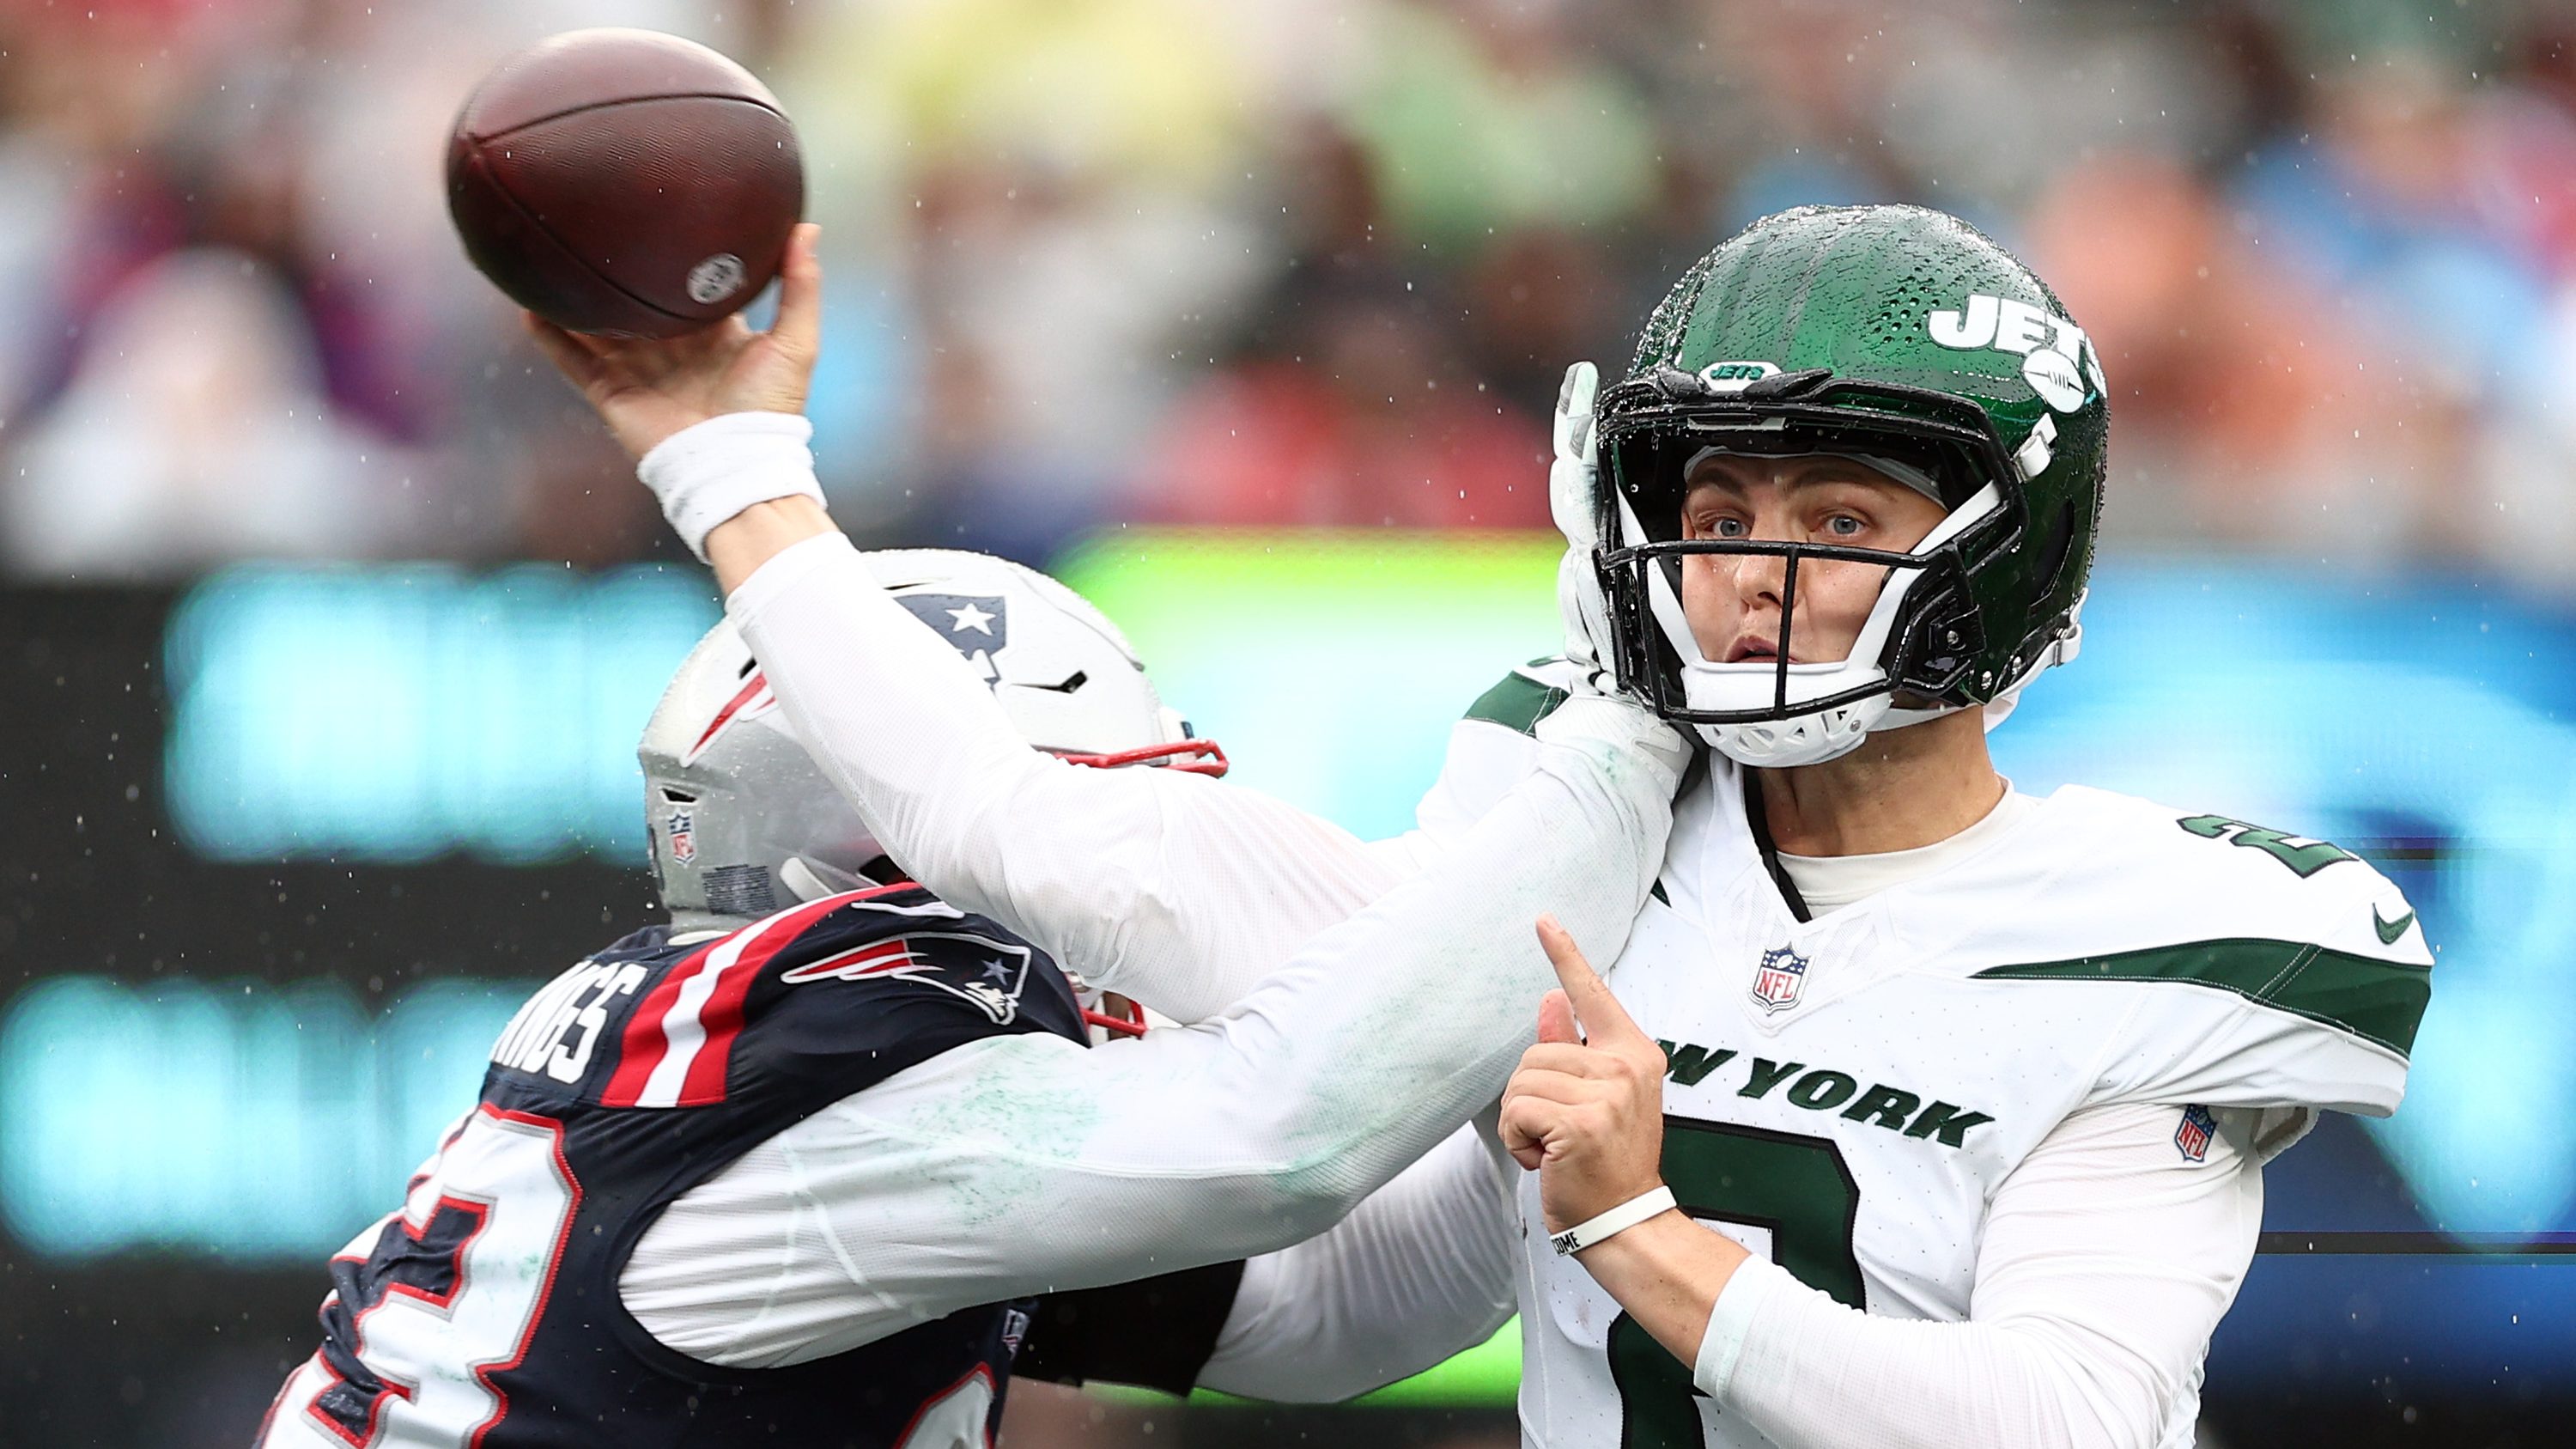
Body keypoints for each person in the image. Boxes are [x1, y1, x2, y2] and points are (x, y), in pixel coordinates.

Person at [544, 204, 2434, 1449]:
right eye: (1718, 500)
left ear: (2001, 553)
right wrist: (940, 1262)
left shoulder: (2170, 927)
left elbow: (2067, 1423)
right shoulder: (1573, 810)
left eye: (1839, 520)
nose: (1752, 572)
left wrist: (1641, 1226)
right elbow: (1049, 843)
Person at [252, 541, 1684, 1447]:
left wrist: (1547, 1087)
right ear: (890, 844)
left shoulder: (742, 1057)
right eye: (1059, 820)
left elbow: (1341, 1317)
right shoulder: (870, 1038)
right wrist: (1614, 769)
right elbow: (1285, 1137)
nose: (1098, 882)